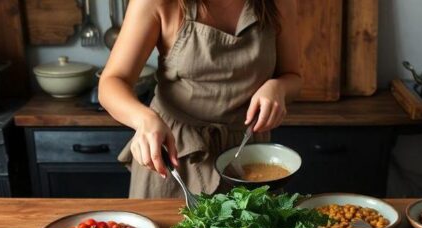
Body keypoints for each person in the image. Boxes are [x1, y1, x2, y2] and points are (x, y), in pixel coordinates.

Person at [99, 0, 301, 198]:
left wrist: (278, 88)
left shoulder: (280, 3)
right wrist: (144, 119)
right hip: (174, 156)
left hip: (249, 158)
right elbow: (112, 82)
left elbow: (293, 77)